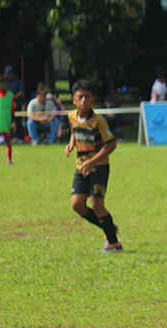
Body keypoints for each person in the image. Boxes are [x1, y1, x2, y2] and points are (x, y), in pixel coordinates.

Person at [65, 79, 123, 254]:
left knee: (97, 204)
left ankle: (114, 244)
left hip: (99, 166)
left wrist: (92, 161)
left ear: (93, 100)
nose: (83, 100)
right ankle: (109, 227)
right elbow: (75, 130)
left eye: (87, 97)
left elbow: (111, 145)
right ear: (74, 100)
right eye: (80, 97)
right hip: (81, 166)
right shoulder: (71, 116)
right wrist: (71, 144)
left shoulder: (99, 121)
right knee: (77, 205)